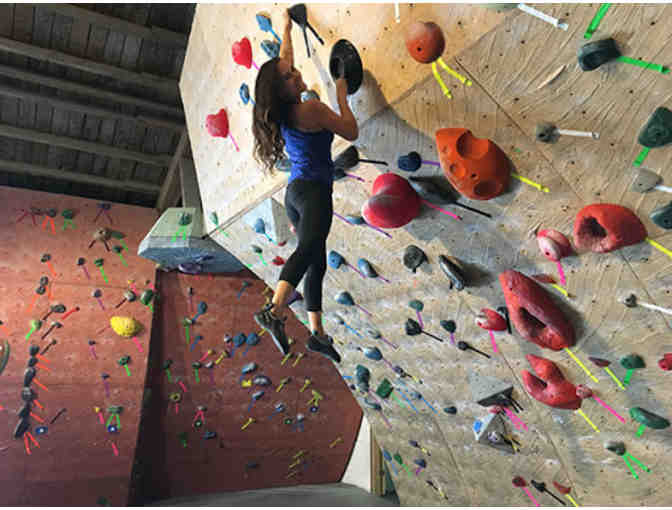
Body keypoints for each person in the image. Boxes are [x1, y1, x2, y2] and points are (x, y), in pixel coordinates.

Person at [251, 8, 358, 363]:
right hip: (312, 192)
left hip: (297, 193)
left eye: (293, 71)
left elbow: (285, 57)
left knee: (316, 260)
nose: (296, 73)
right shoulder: (308, 112)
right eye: (290, 76)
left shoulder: (283, 110)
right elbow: (350, 131)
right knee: (310, 250)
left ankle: (318, 334)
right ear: (282, 90)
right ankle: (275, 310)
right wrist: (341, 93)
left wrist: (286, 24)